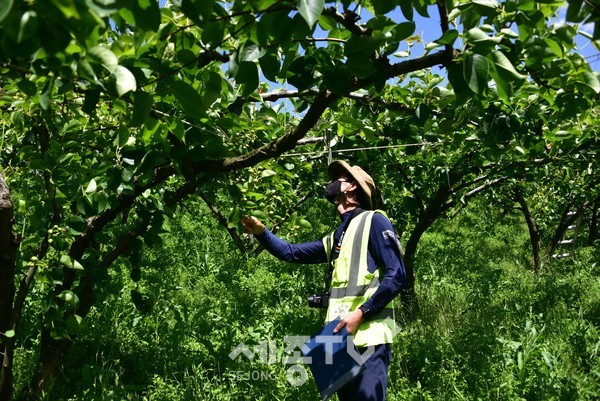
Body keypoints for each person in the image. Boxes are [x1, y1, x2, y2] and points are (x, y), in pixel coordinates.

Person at [241, 160, 406, 401]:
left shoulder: (374, 220)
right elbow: (291, 252)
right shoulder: (337, 237)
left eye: (339, 178)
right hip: (339, 342)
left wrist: (361, 313)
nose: (333, 183)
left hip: (368, 339)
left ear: (351, 188)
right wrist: (262, 233)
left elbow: (397, 274)